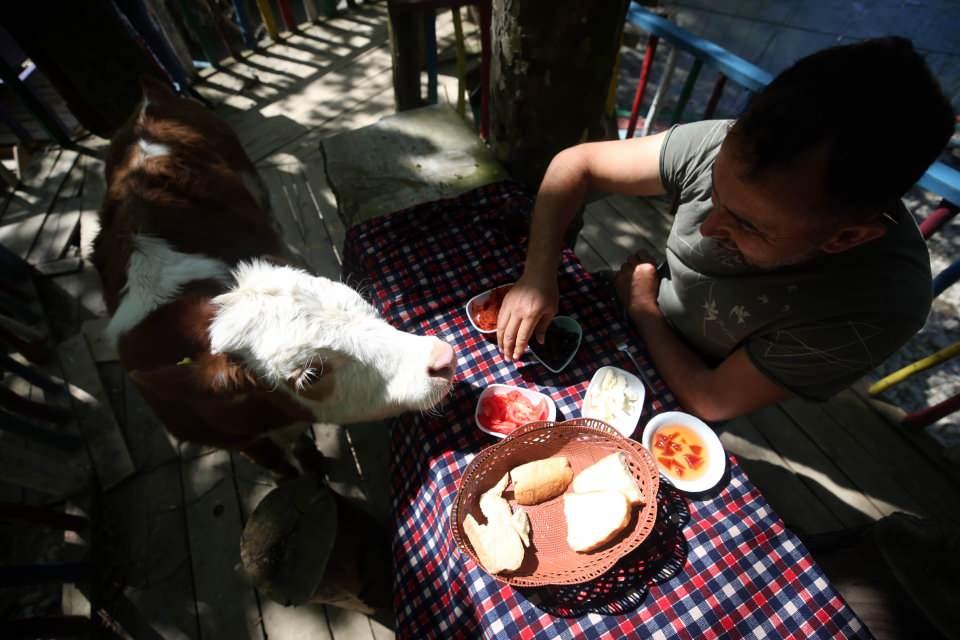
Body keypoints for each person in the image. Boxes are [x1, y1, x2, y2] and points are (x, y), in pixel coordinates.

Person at [496, 37, 955, 421]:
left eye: (747, 225)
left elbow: (711, 398)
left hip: (687, 382)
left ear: (845, 238)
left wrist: (642, 307)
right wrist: (539, 273)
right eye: (715, 190)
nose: (708, 226)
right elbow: (578, 163)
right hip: (635, 308)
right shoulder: (733, 145)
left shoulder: (881, 303)